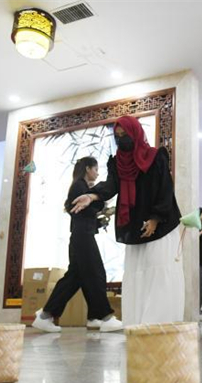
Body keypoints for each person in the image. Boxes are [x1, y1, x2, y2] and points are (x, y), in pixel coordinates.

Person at [71, 116, 184, 326]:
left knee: (159, 273)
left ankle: (159, 326)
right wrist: (92, 196)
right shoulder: (117, 162)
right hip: (135, 226)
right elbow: (111, 185)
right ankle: (139, 326)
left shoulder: (156, 156)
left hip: (161, 225)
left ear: (136, 133)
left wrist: (155, 218)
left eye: (126, 135)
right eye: (118, 136)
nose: (122, 139)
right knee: (139, 275)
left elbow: (165, 188)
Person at [32, 157, 122, 333]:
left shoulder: (80, 186)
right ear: (87, 169)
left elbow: (81, 213)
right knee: (96, 273)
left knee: (75, 278)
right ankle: (104, 316)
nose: (97, 173)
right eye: (95, 169)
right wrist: (100, 203)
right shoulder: (80, 186)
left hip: (81, 235)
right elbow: (81, 211)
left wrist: (99, 217)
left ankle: (49, 315)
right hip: (83, 237)